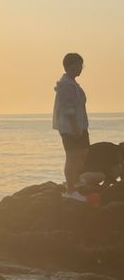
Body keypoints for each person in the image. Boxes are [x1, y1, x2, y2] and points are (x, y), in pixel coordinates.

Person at [52, 53, 89, 197]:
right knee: (72, 156)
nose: (80, 68)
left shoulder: (72, 83)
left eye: (81, 65)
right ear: (69, 66)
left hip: (80, 125)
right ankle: (71, 190)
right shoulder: (66, 85)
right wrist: (75, 128)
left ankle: (75, 180)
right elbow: (69, 109)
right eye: (78, 65)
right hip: (70, 127)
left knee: (83, 151)